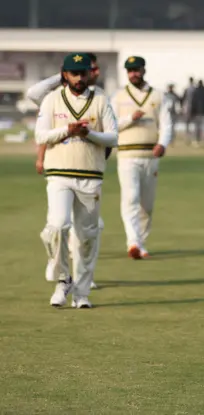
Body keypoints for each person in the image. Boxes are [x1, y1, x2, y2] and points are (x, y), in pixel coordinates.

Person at [35, 52, 118, 308]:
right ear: (65, 74)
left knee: (86, 237)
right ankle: (63, 280)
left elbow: (113, 137)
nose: (79, 78)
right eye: (74, 73)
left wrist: (89, 133)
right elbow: (41, 136)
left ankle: (82, 294)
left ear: (89, 73)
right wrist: (67, 131)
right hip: (59, 173)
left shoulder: (100, 98)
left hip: (90, 175)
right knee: (58, 226)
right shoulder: (51, 99)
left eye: (83, 73)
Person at [111, 56, 174, 259]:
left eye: (137, 70)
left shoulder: (158, 95)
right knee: (131, 198)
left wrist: (163, 143)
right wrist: (131, 118)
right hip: (127, 155)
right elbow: (110, 125)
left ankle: (142, 242)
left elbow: (166, 123)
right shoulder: (119, 96)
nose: (134, 74)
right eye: (130, 70)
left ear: (143, 70)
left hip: (150, 155)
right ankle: (133, 243)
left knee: (147, 204)